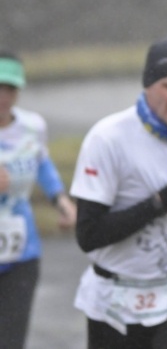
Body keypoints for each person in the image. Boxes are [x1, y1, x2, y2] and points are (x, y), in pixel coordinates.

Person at [69, 37, 167, 349]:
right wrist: (163, 201)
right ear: (148, 85)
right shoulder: (107, 138)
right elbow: (88, 235)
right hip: (114, 296)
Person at [0, 51, 77, 349]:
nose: (3, 96)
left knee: (11, 341)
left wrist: (62, 202)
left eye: (10, 88)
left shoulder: (32, 126)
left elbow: (43, 165)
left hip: (22, 253)